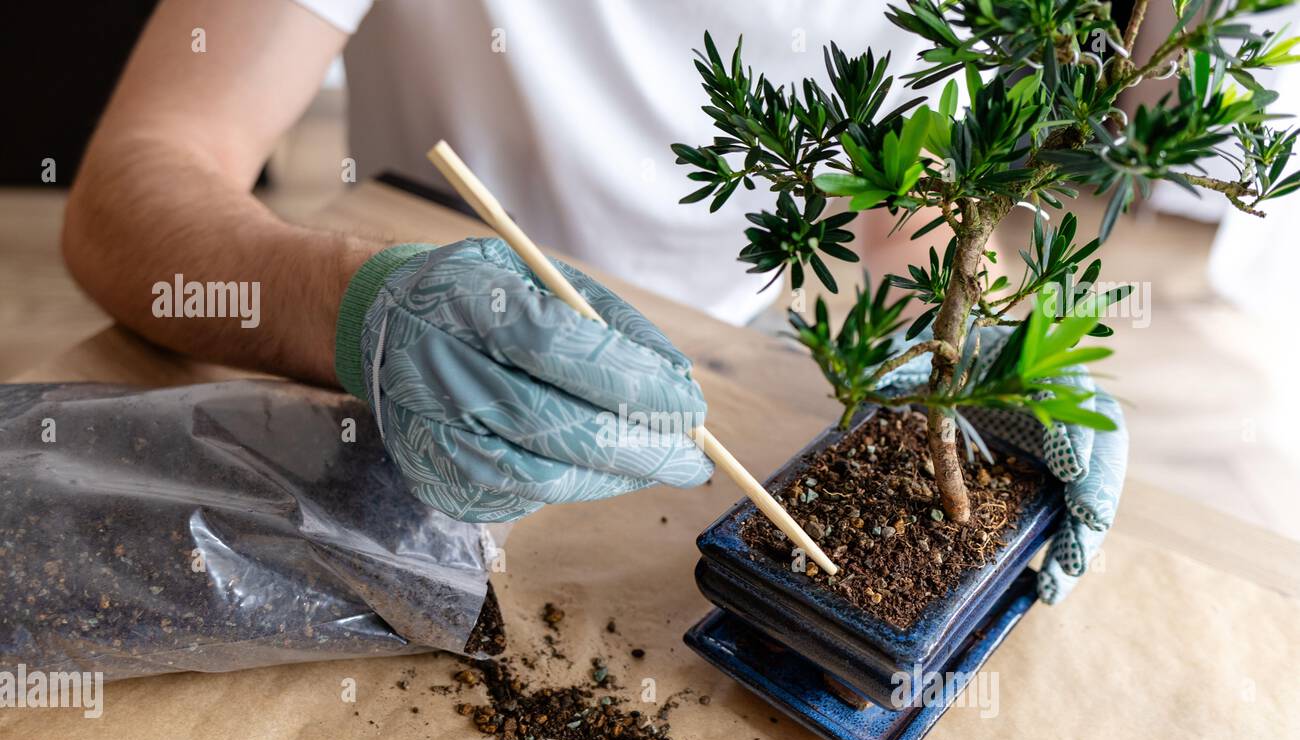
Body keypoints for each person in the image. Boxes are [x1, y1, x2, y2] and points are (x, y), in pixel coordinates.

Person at [63, 0, 1123, 603]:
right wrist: (362, 305)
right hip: (430, 387)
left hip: (747, 335)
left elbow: (908, 212)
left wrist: (978, 352)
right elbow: (126, 189)